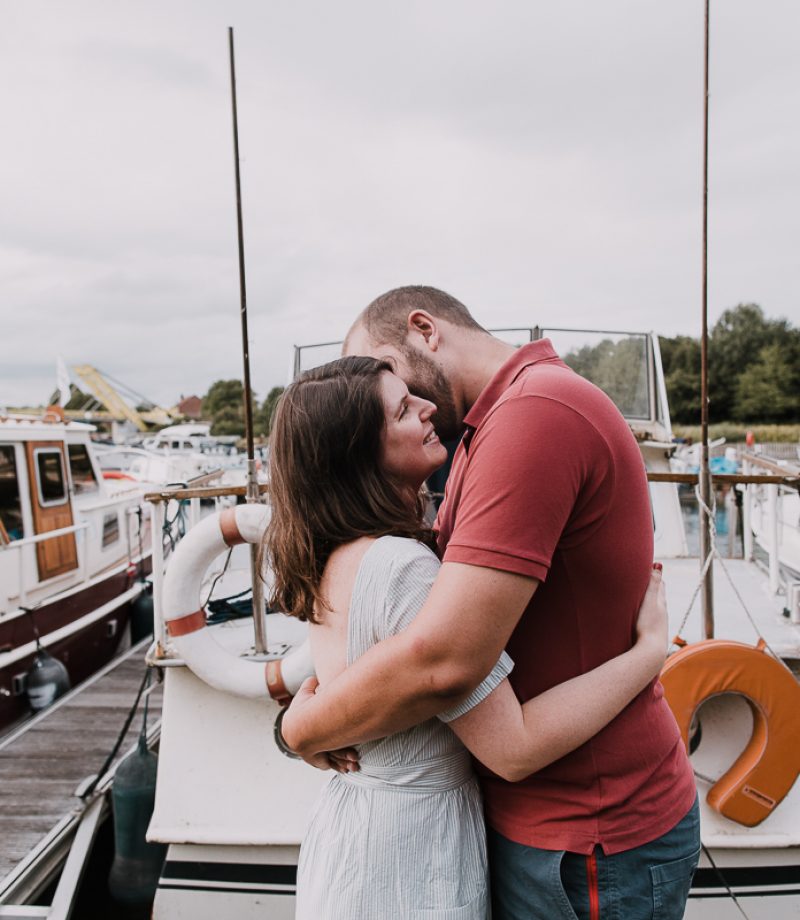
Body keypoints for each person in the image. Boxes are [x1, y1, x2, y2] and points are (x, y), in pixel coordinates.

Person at [281, 287, 699, 920]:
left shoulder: (535, 416)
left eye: (390, 374)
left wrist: (302, 727)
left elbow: (443, 661)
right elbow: (405, 640)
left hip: (587, 830)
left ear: (425, 330)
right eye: (392, 405)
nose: (415, 403)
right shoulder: (485, 429)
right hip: (545, 824)